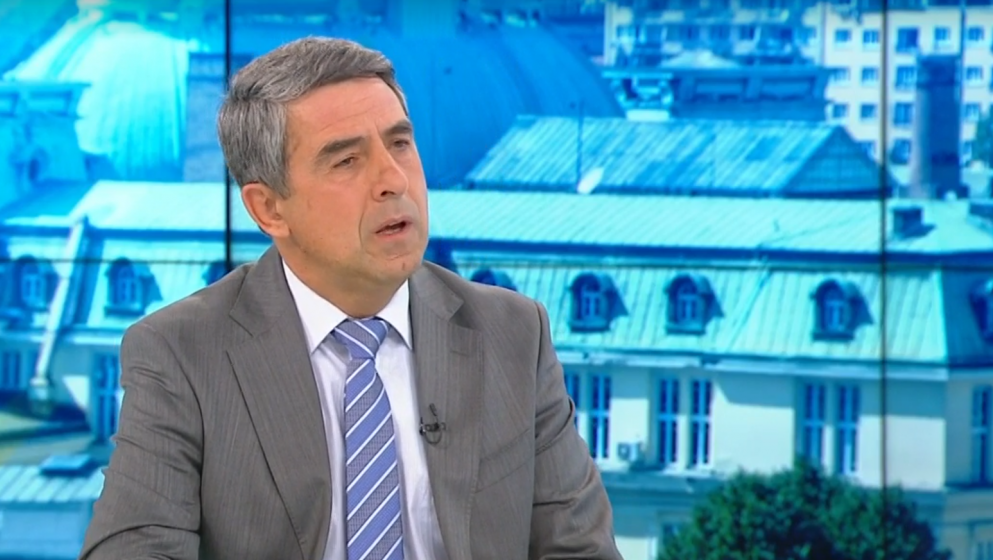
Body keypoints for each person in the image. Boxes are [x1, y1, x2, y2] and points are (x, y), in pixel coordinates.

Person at [78, 36, 623, 560]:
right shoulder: (183, 353)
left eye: (400, 144)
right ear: (269, 209)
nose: (394, 180)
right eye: (347, 161)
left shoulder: (512, 334)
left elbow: (579, 550)